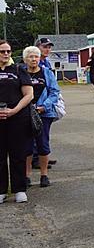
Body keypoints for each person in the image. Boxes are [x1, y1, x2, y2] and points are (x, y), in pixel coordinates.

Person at [21, 46, 60, 188]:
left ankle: (44, 175)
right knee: (27, 146)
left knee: (43, 144)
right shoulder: (22, 73)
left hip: (44, 114)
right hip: (25, 113)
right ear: (25, 59)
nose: (33, 59)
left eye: (36, 56)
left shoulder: (46, 73)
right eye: (30, 56)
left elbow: (54, 92)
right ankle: (27, 176)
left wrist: (45, 106)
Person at [0, 40, 33, 204]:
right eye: (2, 51)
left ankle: (19, 189)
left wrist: (14, 110)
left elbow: (29, 94)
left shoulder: (19, 70)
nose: (6, 54)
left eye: (8, 51)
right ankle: (1, 190)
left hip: (17, 118)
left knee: (18, 154)